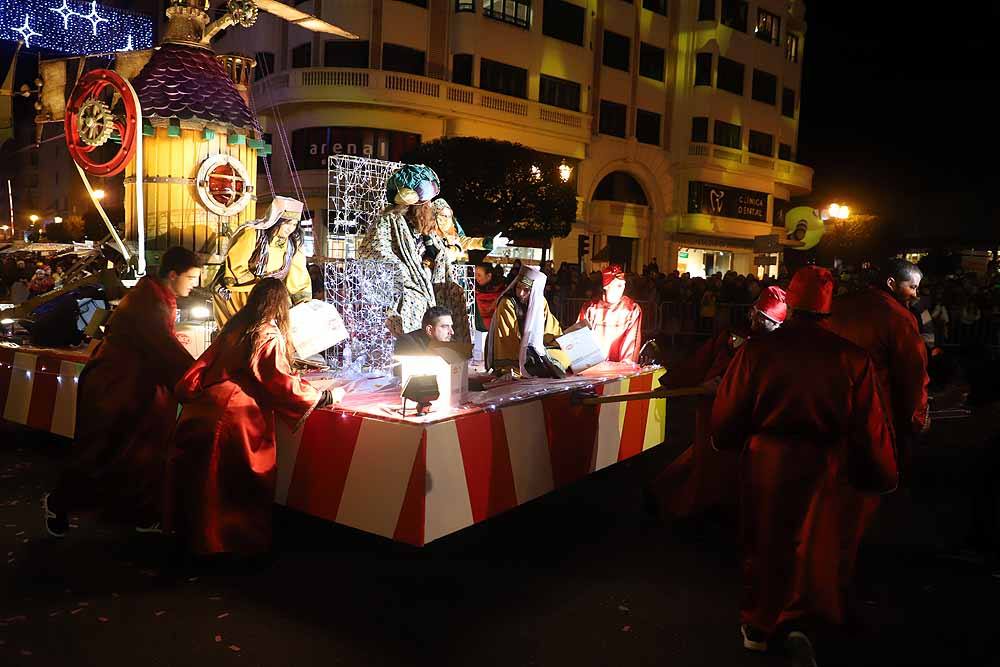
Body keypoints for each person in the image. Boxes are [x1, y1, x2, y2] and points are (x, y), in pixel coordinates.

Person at [711, 266, 897, 667]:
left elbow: (729, 411)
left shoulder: (757, 351)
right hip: (824, 464)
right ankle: (799, 621)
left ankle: (759, 623)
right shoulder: (852, 358)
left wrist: (724, 440)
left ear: (791, 302)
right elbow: (870, 423)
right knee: (811, 544)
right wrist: (880, 473)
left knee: (763, 539)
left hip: (768, 460)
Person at [165, 278, 338, 556]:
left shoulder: (235, 326)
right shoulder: (266, 333)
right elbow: (279, 381)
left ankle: (193, 541)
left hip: (204, 406)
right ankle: (226, 546)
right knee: (233, 485)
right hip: (234, 413)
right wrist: (324, 396)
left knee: (202, 482)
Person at [42, 247, 203, 536]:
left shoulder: (156, 295)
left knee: (139, 452)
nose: (195, 284)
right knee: (101, 452)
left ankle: (139, 512)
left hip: (131, 383)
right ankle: (58, 503)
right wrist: (200, 377)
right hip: (116, 387)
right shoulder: (149, 302)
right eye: (191, 277)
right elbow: (164, 348)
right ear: (173, 274)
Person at [650, 286, 787, 520]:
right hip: (713, 410)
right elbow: (700, 361)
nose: (758, 320)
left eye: (766, 320)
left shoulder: (780, 349)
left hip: (747, 419)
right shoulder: (731, 336)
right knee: (706, 461)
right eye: (758, 314)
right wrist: (672, 383)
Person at [825, 259, 930, 473]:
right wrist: (917, 418)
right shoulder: (899, 318)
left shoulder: (838, 305)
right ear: (891, 283)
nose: (915, 294)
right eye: (912, 287)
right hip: (877, 412)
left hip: (831, 406)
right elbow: (913, 374)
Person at [213, 196, 312, 328]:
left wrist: (302, 301)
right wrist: (261, 288)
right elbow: (237, 265)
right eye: (287, 223)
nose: (290, 228)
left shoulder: (293, 244)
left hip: (274, 294)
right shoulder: (253, 234)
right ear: (277, 219)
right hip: (246, 290)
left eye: (294, 224)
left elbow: (298, 275)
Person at [485, 264, 569, 377]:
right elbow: (507, 339)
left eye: (526, 290)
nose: (520, 293)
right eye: (518, 287)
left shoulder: (540, 302)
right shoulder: (507, 303)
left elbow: (551, 329)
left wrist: (563, 342)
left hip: (534, 350)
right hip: (515, 353)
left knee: (564, 357)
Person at [577, 265, 643, 363]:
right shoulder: (590, 308)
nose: (622, 289)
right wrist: (583, 364)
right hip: (593, 368)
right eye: (618, 285)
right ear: (606, 286)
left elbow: (631, 343)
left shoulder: (631, 309)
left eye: (623, 284)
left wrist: (625, 368)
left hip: (617, 370)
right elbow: (580, 338)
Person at [473, 262, 505, 363]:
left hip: (495, 328)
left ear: (489, 275)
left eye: (479, 275)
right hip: (479, 327)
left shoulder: (501, 291)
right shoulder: (473, 289)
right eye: (475, 274)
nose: (476, 278)